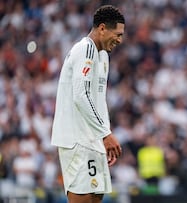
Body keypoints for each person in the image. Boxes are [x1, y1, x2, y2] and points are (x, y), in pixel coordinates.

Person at [51, 5, 124, 203]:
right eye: (117, 34)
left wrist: (103, 136)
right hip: (77, 139)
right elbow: (81, 95)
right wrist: (105, 134)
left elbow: (99, 100)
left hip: (93, 139)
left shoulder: (103, 56)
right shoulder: (85, 49)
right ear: (102, 28)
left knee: (95, 197)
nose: (120, 39)